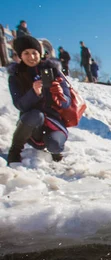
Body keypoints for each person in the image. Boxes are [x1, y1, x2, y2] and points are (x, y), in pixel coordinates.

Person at [7, 36, 71, 164]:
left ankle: (53, 147)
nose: (31, 57)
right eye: (26, 53)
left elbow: (67, 103)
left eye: (34, 53)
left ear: (40, 53)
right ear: (20, 55)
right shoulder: (16, 77)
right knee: (36, 115)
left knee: (54, 145)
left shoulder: (53, 71)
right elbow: (20, 105)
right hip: (32, 125)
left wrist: (60, 95)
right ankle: (15, 150)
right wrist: (34, 92)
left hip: (54, 121)